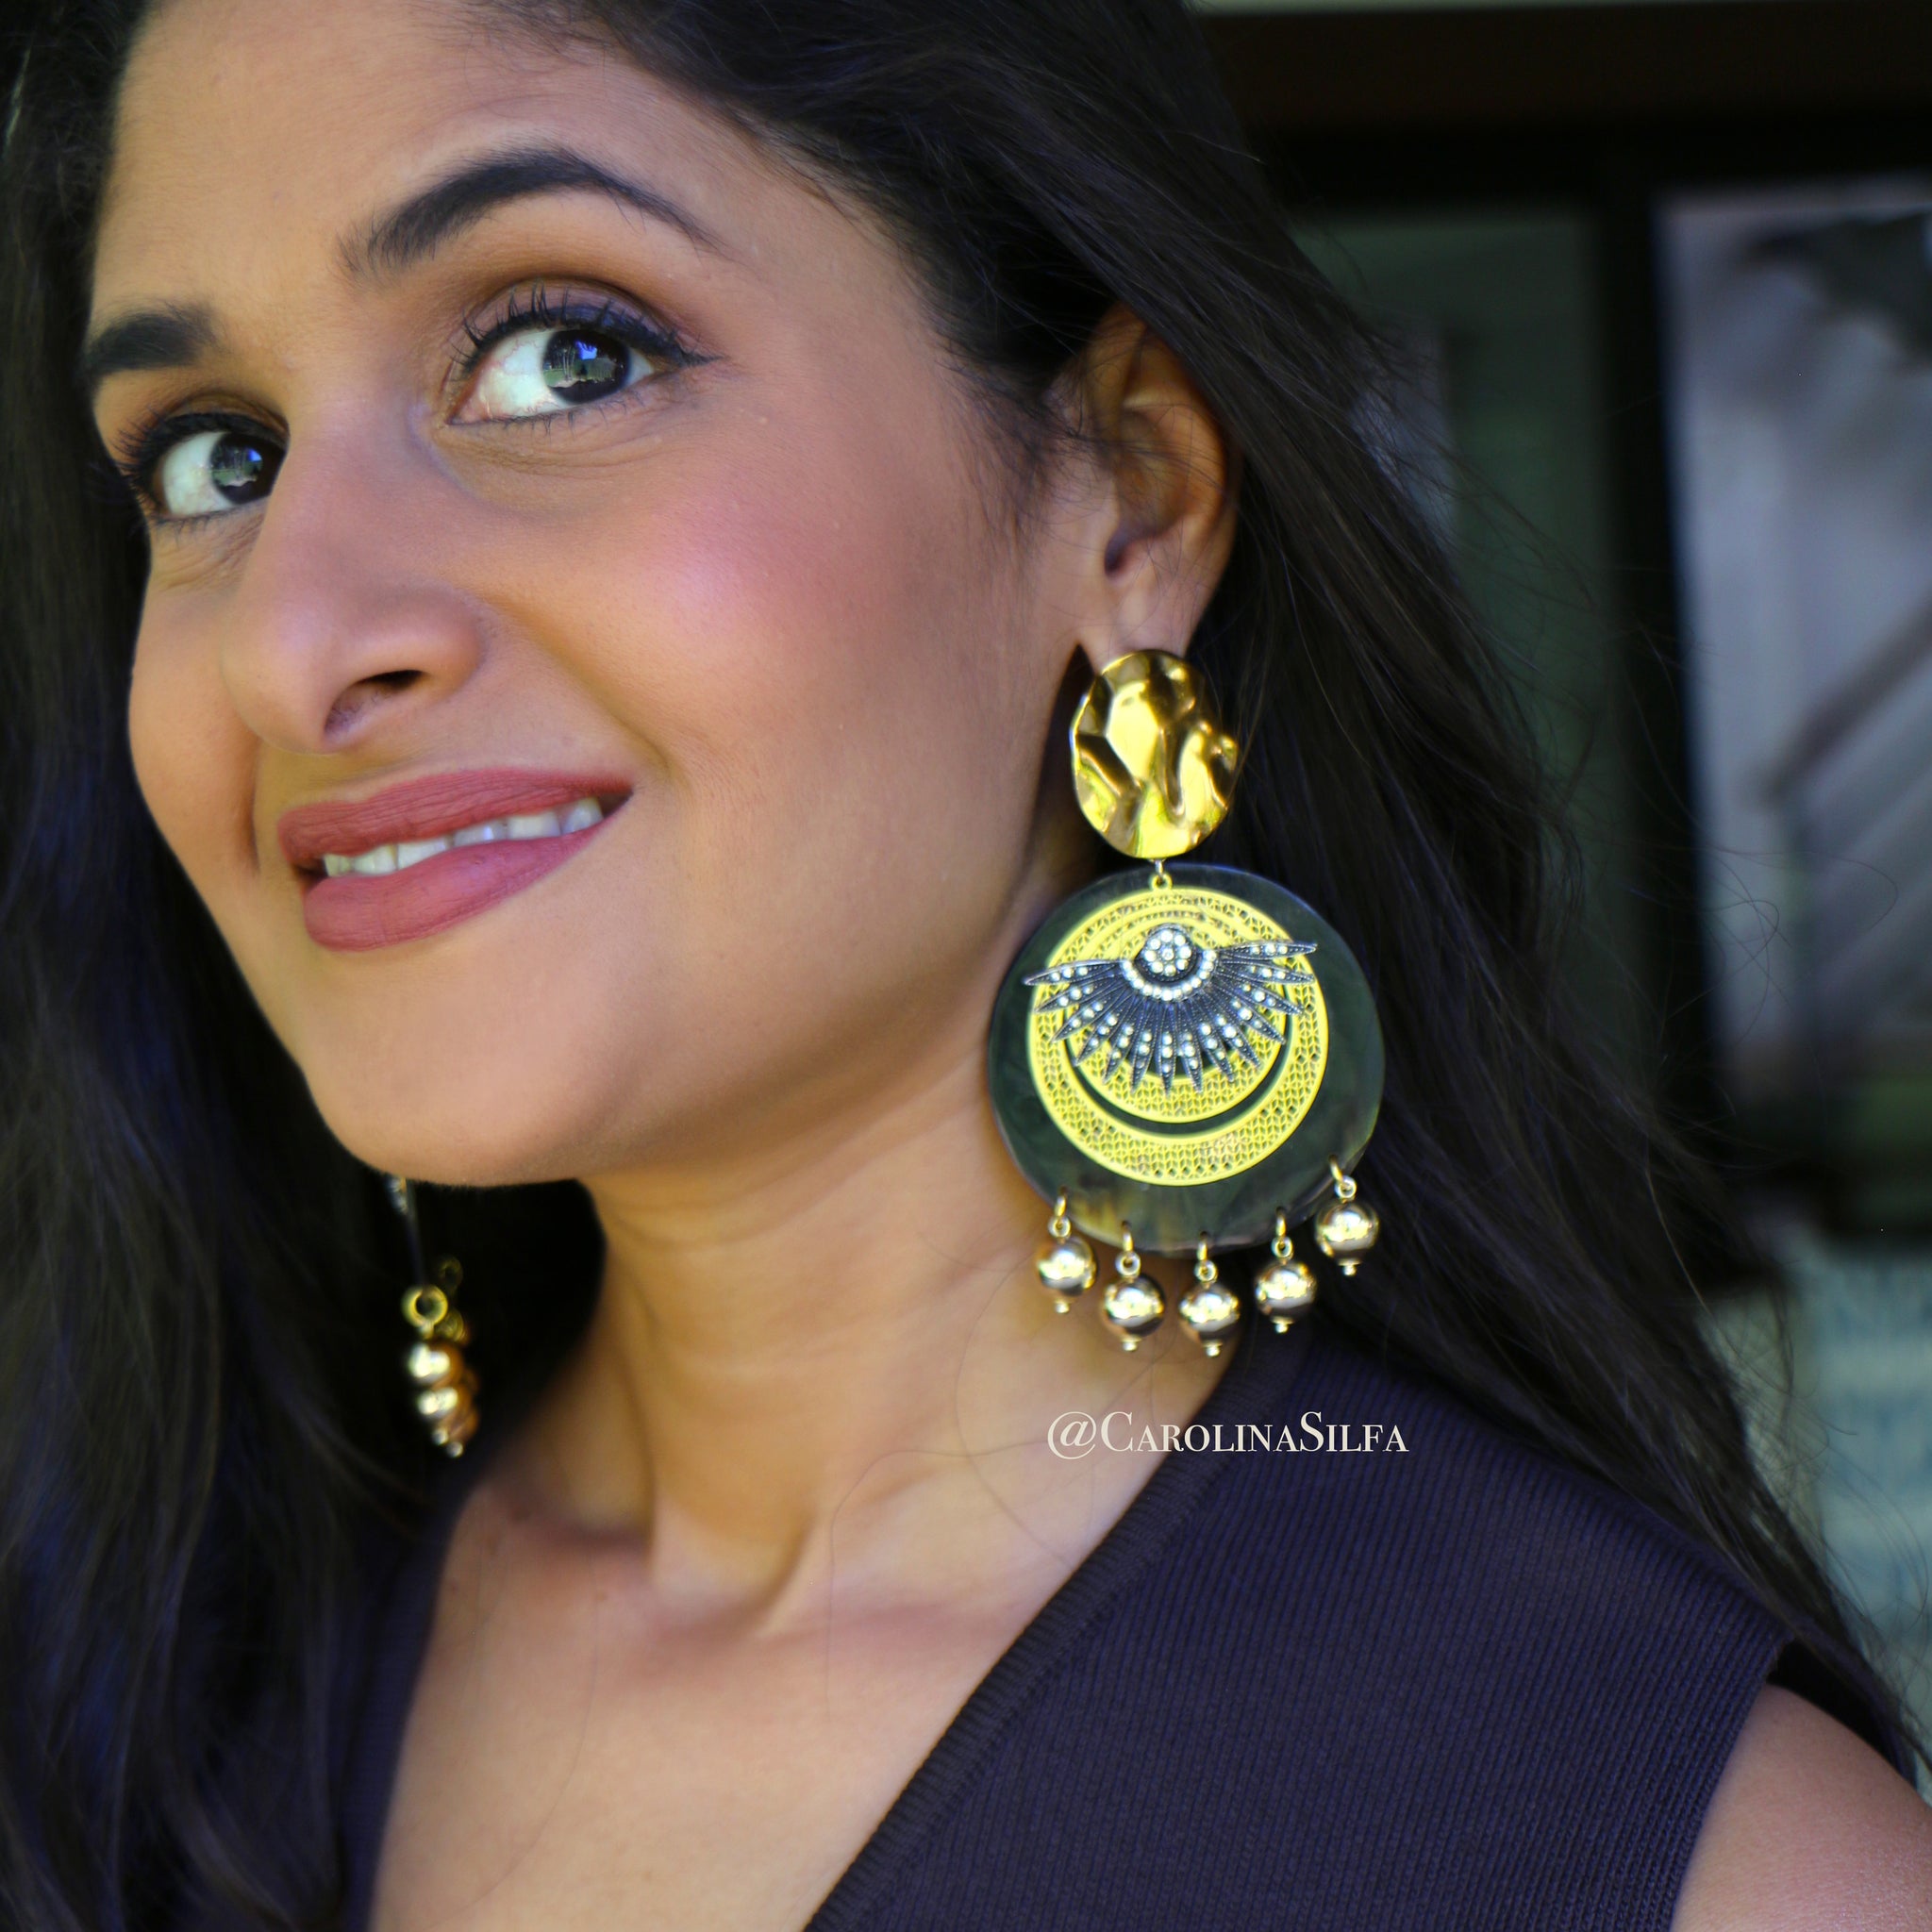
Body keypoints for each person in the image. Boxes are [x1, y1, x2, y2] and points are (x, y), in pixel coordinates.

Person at [3, 0, 1929, 1925]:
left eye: (564, 356)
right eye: (213, 460)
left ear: (1131, 489)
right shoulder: (137, 1671)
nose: (289, 645)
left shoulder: (1685, 1861)